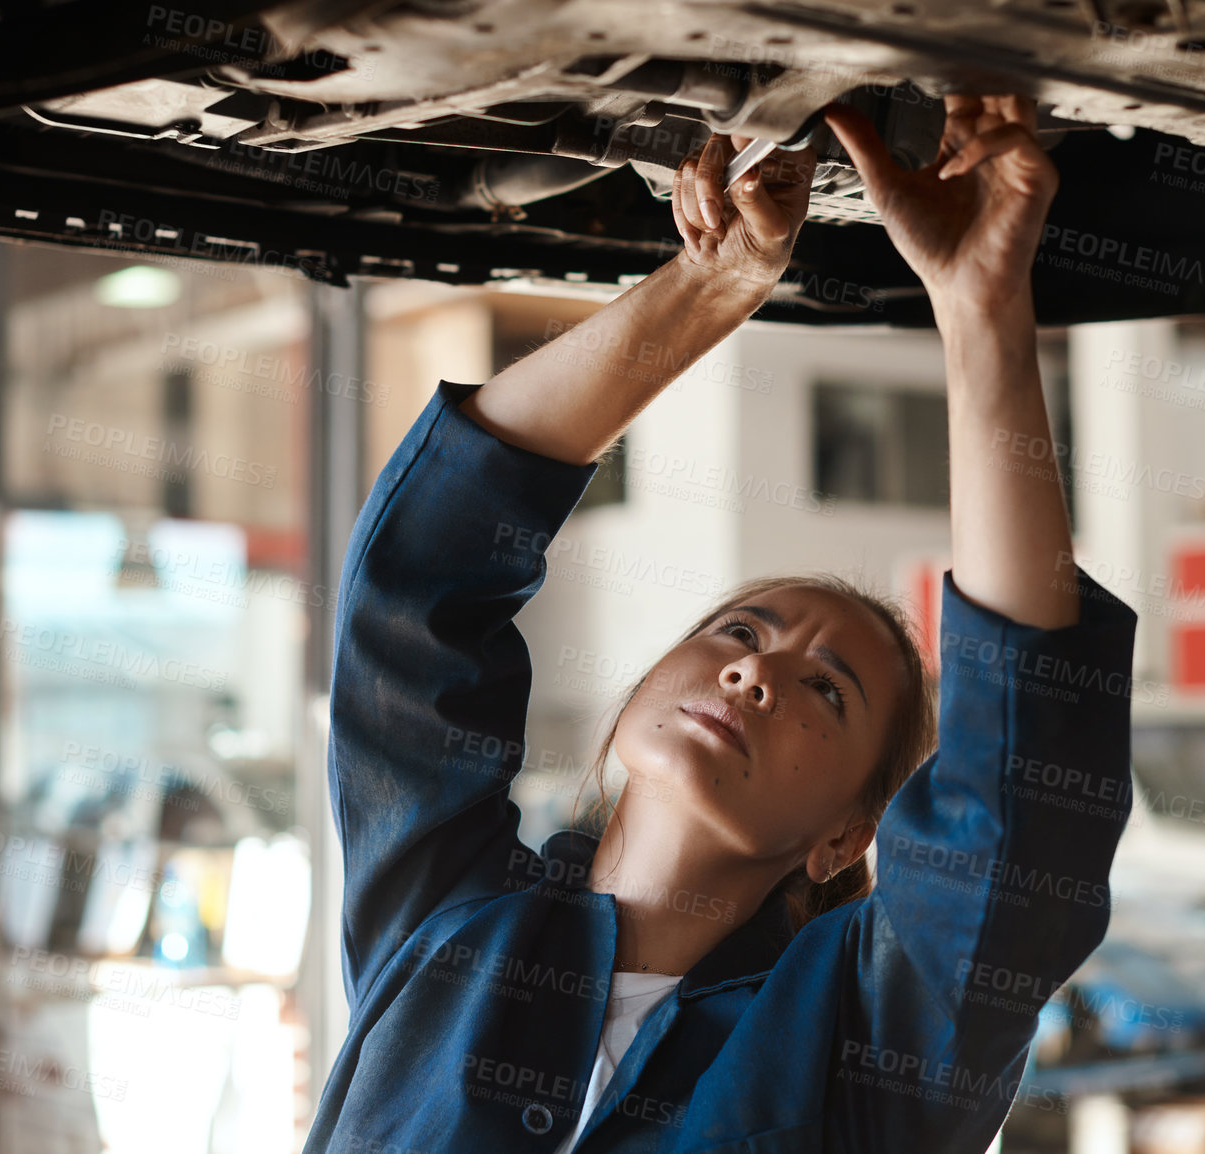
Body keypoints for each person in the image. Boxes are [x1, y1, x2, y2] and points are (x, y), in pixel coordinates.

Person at [303, 94, 1139, 1154]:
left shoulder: (862, 1047)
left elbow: (1014, 820)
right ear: (644, 686)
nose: (758, 676)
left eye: (828, 690)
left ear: (844, 835)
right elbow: (420, 572)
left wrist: (981, 308)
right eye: (742, 633)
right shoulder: (445, 926)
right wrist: (712, 282)